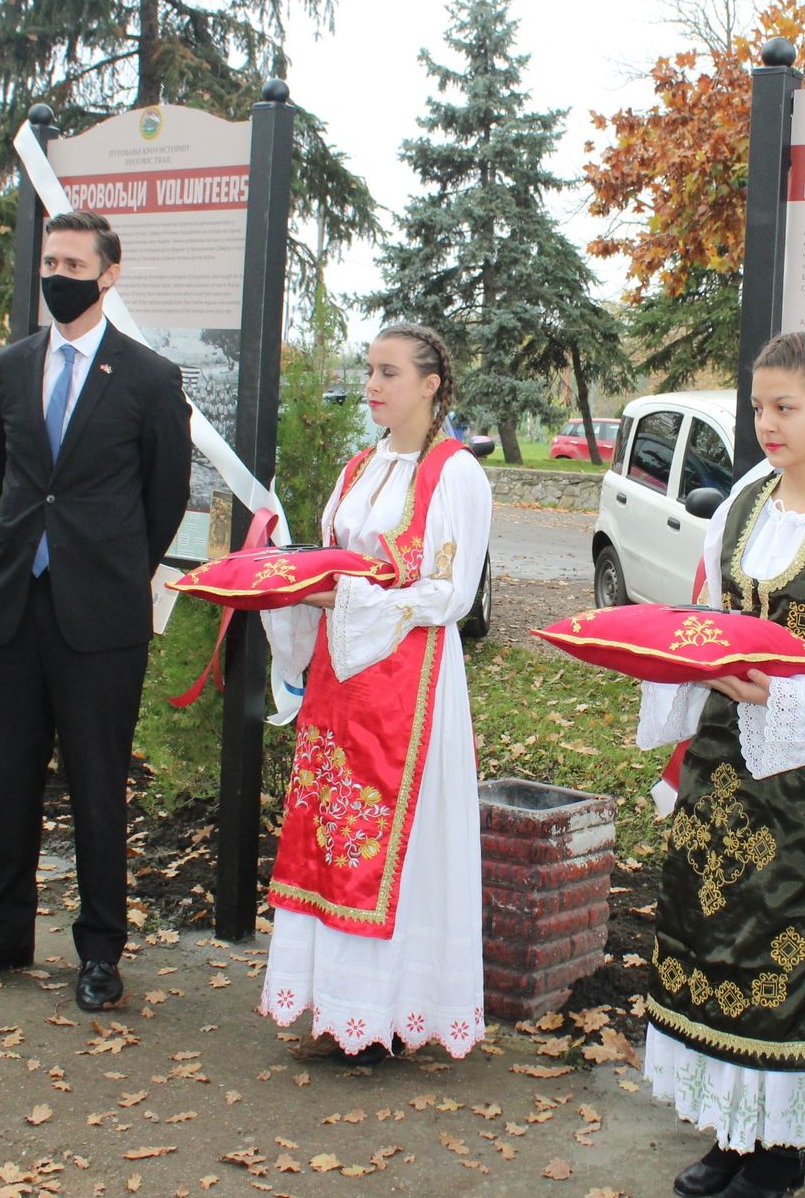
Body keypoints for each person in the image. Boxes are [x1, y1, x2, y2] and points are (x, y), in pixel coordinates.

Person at [632, 331, 805, 1198]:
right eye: (759, 407)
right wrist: (697, 662)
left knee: (785, 949)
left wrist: (779, 695)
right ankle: (731, 1128)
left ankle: (780, 1147)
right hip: (725, 758)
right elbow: (707, 612)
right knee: (718, 932)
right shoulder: (744, 504)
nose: (768, 423)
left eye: (786, 406)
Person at [0, 210, 190, 1013]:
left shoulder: (149, 378)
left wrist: (113, 571)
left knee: (98, 786)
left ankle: (100, 951)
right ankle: (1, 936)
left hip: (101, 621)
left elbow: (165, 497)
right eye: (50, 262)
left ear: (109, 274)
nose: (57, 276)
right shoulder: (7, 369)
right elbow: (11, 476)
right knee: (8, 777)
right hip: (14, 609)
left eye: (74, 264)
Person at [258, 323, 493, 1062]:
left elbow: (451, 592)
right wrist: (289, 581)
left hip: (409, 681)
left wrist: (347, 598)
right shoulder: (360, 465)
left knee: (391, 845)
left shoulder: (455, 472)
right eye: (369, 370)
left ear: (430, 384)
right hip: (340, 678)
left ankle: (388, 1014)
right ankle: (337, 1007)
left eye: (388, 372)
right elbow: (331, 559)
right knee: (332, 834)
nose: (372, 385)